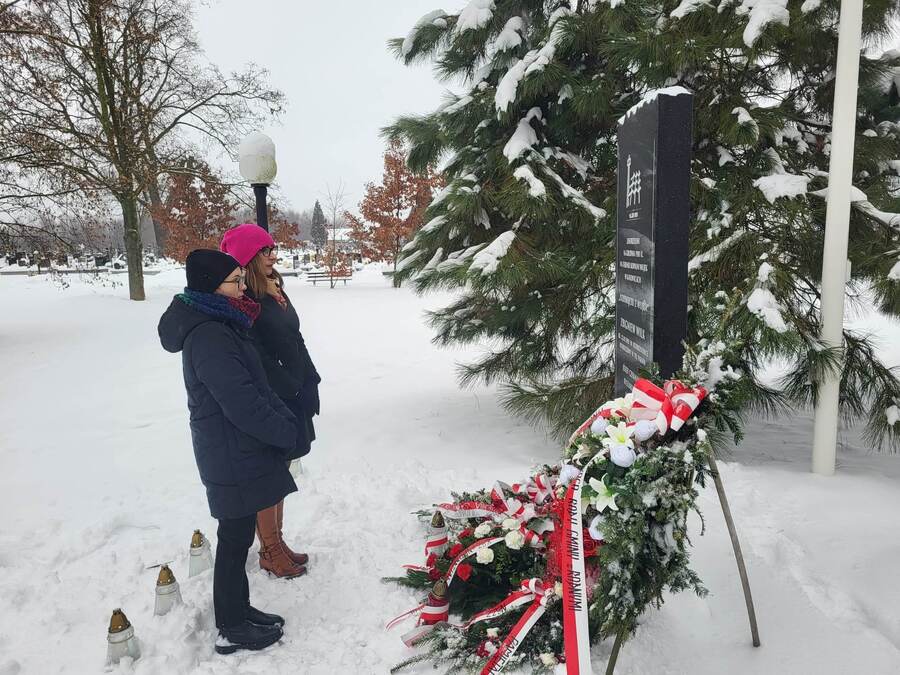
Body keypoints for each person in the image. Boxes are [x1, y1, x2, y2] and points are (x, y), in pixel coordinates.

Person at [157, 249, 298, 655]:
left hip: (237, 448)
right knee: (234, 537)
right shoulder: (209, 334)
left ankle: (238, 609)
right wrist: (280, 431)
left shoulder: (223, 321)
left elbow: (256, 386)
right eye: (234, 281)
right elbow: (241, 402)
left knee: (237, 534)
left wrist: (282, 419)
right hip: (229, 450)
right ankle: (231, 626)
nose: (242, 286)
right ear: (209, 287)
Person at [221, 223, 321, 579]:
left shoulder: (277, 287)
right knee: (271, 472)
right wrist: (290, 386)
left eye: (272, 249)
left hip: (295, 389)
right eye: (265, 251)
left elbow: (295, 335)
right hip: (275, 395)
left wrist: (310, 378)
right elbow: (258, 356)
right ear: (248, 258)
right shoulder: (247, 300)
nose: (272, 256)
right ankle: (269, 550)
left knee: (285, 467)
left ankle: (275, 541)